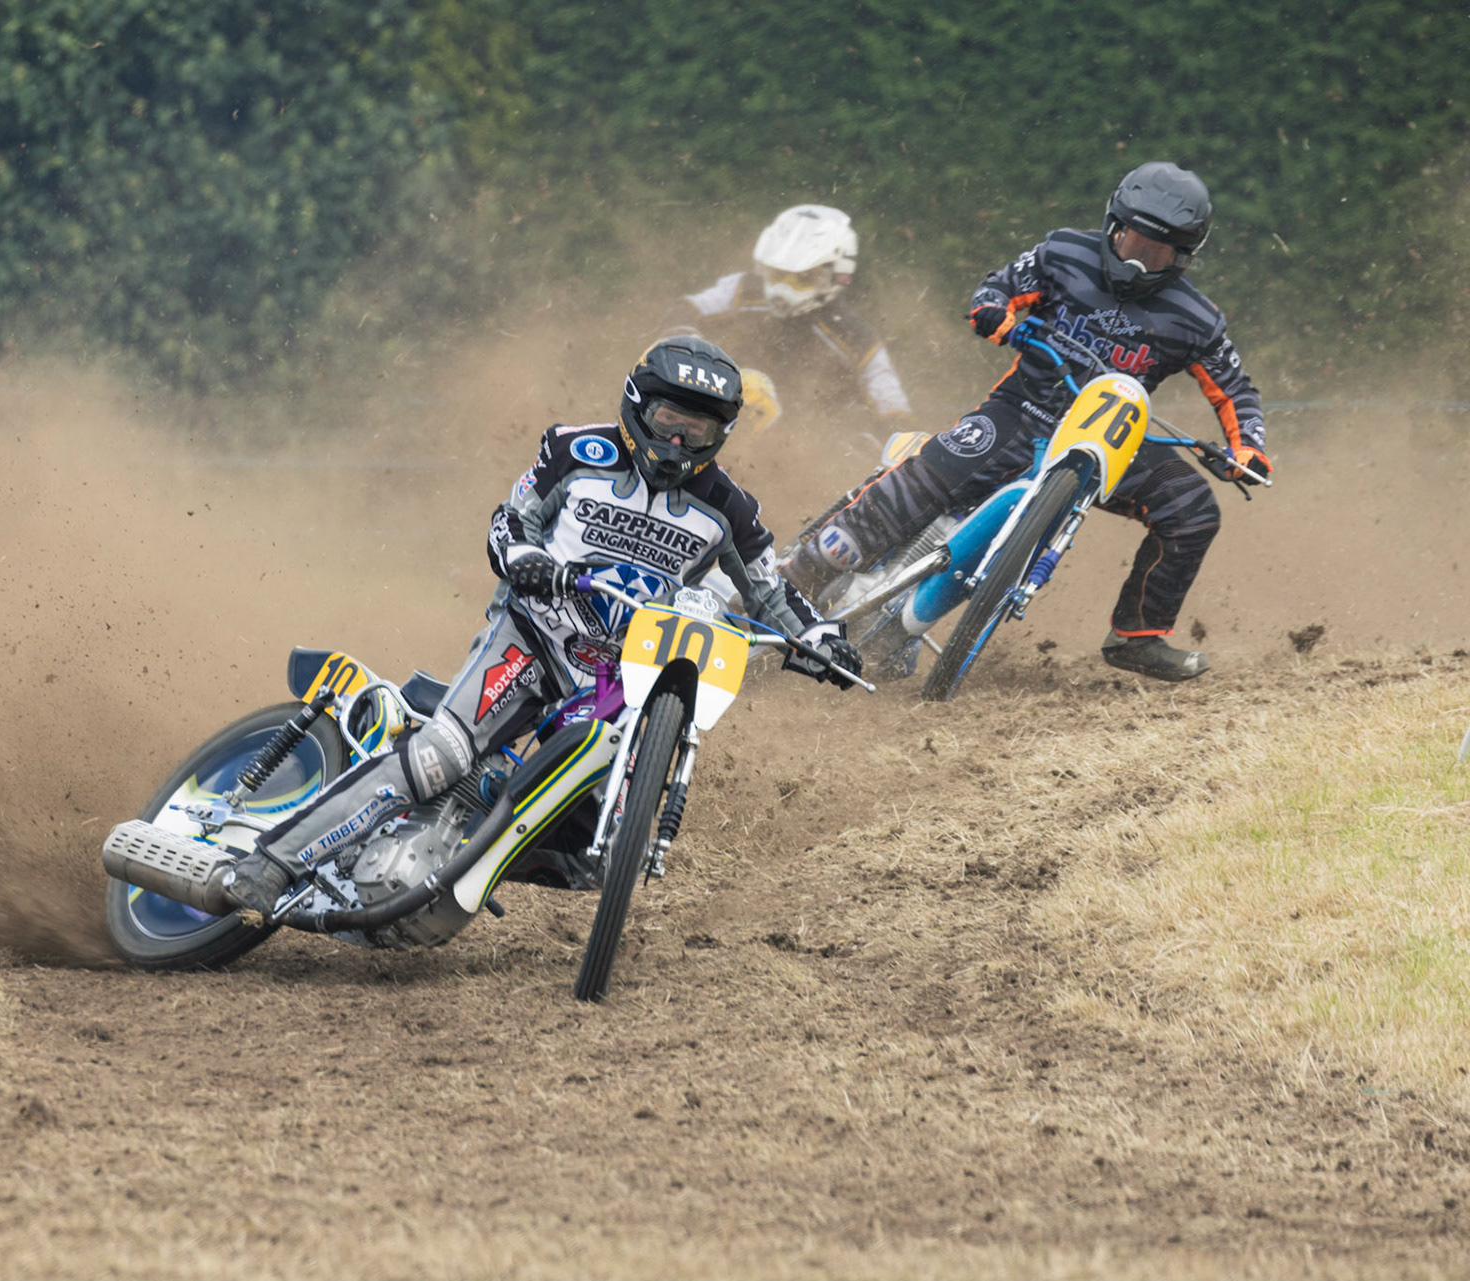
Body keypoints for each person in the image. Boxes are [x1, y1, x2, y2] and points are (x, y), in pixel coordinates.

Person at [221, 337, 864, 913]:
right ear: (638, 407)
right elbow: (511, 521)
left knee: (596, 847)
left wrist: (821, 637)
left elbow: (771, 590)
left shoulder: (731, 508)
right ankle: (269, 863)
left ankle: (460, 854)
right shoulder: (572, 449)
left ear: (718, 434)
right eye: (668, 421)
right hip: (531, 635)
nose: (676, 442)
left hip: (619, 676)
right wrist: (526, 559)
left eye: (695, 431)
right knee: (440, 757)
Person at [781, 162, 1270, 682]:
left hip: (1110, 439)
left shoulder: (1198, 319)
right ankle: (802, 572)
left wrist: (1249, 449)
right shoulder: (1063, 252)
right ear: (1113, 226)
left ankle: (1137, 637)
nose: (1141, 261)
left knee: (1194, 512)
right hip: (1021, 411)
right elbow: (998, 289)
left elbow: (1235, 389)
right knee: (921, 481)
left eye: (1160, 253)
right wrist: (994, 311)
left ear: (1184, 257)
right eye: (1133, 242)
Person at [665, 204, 915, 437]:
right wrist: (694, 355)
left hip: (802, 443)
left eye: (803, 277)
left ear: (838, 275)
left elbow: (893, 407)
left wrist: (891, 438)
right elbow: (685, 311)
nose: (783, 288)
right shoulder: (744, 288)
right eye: (778, 274)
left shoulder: (855, 335)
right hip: (712, 414)